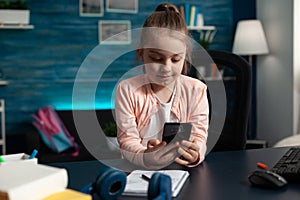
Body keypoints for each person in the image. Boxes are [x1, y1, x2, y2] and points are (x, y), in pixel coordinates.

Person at [115, 2, 209, 169]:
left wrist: (196, 154)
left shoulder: (197, 90)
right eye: (157, 58)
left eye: (175, 59)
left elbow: (199, 138)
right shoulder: (127, 89)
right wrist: (145, 156)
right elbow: (127, 141)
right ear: (141, 54)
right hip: (141, 171)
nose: (166, 68)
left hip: (184, 172)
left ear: (184, 56)